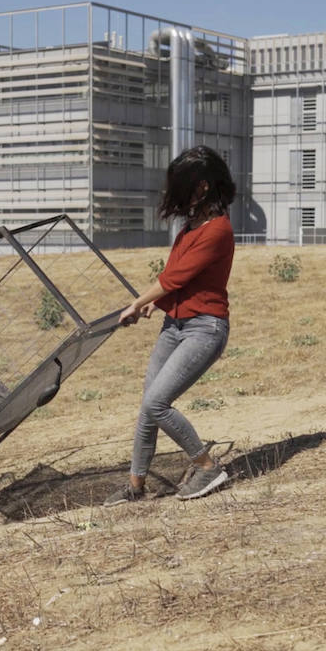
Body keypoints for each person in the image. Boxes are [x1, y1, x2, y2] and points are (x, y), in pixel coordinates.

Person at [106, 145, 235, 506]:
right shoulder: (189, 228)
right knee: (149, 406)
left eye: (181, 185)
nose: (173, 194)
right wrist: (155, 305)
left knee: (158, 402)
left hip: (204, 329)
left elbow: (175, 276)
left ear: (203, 187)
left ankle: (208, 467)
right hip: (174, 326)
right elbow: (179, 280)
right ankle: (135, 487)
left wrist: (139, 302)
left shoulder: (218, 231)